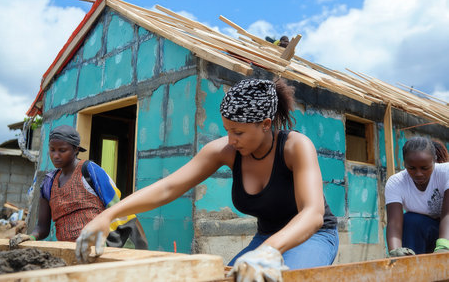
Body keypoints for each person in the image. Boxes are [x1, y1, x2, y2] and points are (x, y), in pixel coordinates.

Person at [76, 78, 339, 280]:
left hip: (314, 236)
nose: (231, 139)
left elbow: (313, 214)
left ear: (266, 124)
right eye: (227, 130)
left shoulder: (295, 147)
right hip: (267, 236)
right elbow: (168, 187)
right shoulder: (225, 151)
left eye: (238, 132)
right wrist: (108, 216)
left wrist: (269, 250)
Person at [9, 125, 147, 250]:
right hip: (70, 251)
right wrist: (31, 237)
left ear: (75, 149)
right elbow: (42, 227)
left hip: (101, 248)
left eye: (62, 150)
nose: (55, 155)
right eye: (52, 150)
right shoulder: (48, 183)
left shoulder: (90, 171)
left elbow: (116, 209)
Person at [385, 137, 449, 257]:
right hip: (427, 233)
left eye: (425, 168)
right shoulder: (396, 182)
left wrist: (444, 248)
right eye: (412, 168)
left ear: (434, 160)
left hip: (446, 232)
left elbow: (447, 214)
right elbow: (394, 223)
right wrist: (395, 253)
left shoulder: (446, 172)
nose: (418, 173)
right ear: (404, 163)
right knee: (411, 220)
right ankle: (410, 267)